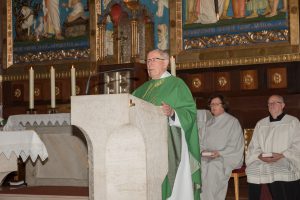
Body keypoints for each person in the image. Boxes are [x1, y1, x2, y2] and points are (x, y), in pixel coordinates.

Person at [132, 49, 201, 200]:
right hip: (145, 145)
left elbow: (190, 113)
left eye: (153, 60)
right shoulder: (141, 89)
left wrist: (172, 113)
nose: (149, 64)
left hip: (171, 144)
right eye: (148, 61)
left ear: (165, 63)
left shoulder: (176, 85)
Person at [246, 95, 300, 200]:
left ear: (283, 105)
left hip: (285, 158)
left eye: (275, 102)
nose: (271, 105)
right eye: (269, 103)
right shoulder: (261, 124)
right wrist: (259, 156)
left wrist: (282, 155)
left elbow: (297, 143)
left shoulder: (293, 122)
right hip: (264, 159)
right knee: (252, 170)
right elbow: (254, 145)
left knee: (277, 168)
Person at [200, 94, 244, 200]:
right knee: (198, 165)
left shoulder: (232, 122)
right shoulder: (208, 123)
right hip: (208, 156)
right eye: (211, 104)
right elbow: (200, 141)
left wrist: (220, 153)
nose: (213, 107)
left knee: (213, 167)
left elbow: (235, 144)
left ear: (223, 105)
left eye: (216, 104)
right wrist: (202, 151)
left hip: (226, 157)